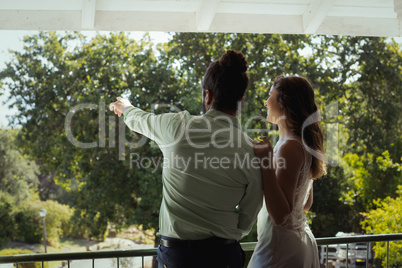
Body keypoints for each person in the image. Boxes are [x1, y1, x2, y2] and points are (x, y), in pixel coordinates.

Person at [110, 50, 263, 268]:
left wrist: (126, 108)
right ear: (240, 101)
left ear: (207, 95)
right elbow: (250, 211)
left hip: (178, 257)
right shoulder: (251, 149)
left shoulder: (177, 127)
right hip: (225, 256)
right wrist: (227, 235)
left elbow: (141, 120)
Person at [248, 75, 327, 268]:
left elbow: (281, 215)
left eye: (270, 96)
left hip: (279, 249)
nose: (266, 102)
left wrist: (265, 161)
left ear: (284, 102)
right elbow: (305, 204)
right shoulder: (302, 144)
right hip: (298, 243)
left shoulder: (289, 147)